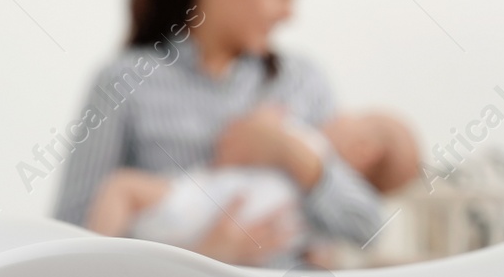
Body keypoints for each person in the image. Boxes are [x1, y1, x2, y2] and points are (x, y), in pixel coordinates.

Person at [53, 0, 389, 264]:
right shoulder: (125, 83)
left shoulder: (304, 83)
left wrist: (290, 153)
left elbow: (369, 230)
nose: (289, 14)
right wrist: (202, 258)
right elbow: (72, 244)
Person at [82, 111, 420, 263]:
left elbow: (243, 134)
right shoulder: (320, 221)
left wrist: (270, 122)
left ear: (365, 150)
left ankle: (89, 272)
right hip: (214, 246)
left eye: (356, 117)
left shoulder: (310, 144)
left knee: (120, 187)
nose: (341, 114)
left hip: (200, 202)